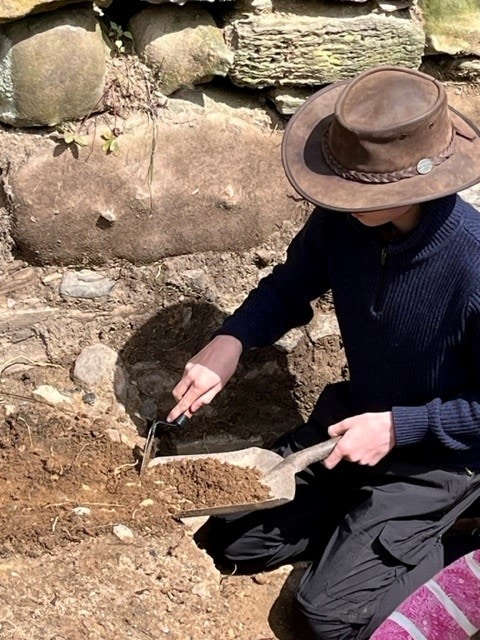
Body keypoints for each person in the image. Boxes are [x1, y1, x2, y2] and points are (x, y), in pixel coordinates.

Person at [166, 65, 480, 639]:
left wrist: (399, 428)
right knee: (231, 541)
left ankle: (458, 542)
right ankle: (368, 530)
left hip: (439, 458)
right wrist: (230, 340)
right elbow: (291, 283)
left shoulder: (473, 261)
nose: (340, 197)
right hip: (351, 424)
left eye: (359, 188)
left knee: (325, 619)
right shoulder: (345, 220)